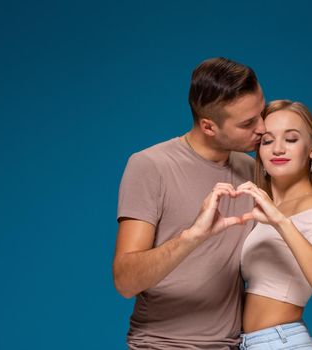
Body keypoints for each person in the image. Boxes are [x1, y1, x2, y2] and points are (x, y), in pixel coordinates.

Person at [113, 57, 266, 349]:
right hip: (162, 344)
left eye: (262, 112)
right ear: (209, 127)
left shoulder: (252, 171)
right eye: (248, 123)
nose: (261, 128)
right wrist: (192, 237)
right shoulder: (150, 166)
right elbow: (125, 280)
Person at [236, 100, 312, 349]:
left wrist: (281, 222)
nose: (278, 149)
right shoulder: (267, 208)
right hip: (251, 343)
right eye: (267, 140)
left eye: (291, 139)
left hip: (282, 342)